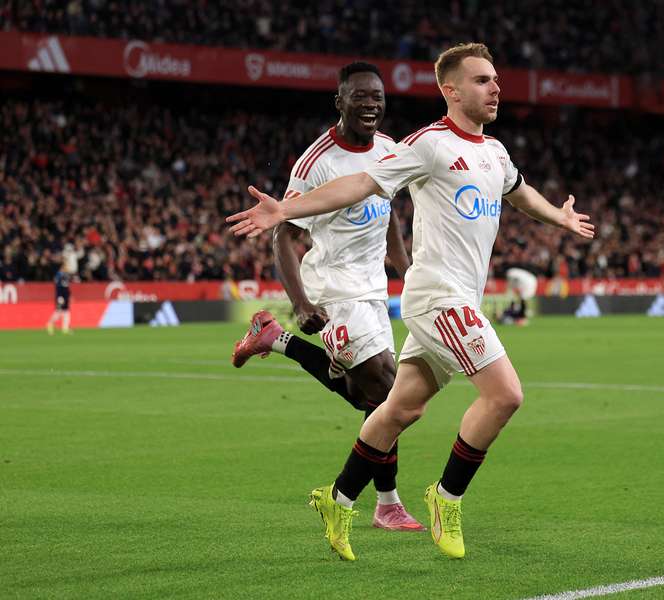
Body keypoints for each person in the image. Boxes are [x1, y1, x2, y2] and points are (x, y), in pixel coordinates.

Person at [226, 43, 594, 561]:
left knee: (399, 406)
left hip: (450, 295)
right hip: (436, 298)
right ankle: (446, 499)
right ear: (451, 90)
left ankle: (338, 498)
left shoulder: (495, 152)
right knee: (505, 395)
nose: (495, 88)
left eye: (496, 80)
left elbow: (519, 191)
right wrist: (285, 208)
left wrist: (557, 216)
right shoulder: (428, 145)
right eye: (483, 80)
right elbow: (359, 183)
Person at [229, 62, 423, 532]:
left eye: (377, 96)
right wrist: (299, 303)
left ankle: (276, 341)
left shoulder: (389, 151)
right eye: (360, 96)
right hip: (331, 287)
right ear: (339, 101)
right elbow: (283, 234)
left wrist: (409, 272)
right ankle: (382, 503)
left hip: (372, 290)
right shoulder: (316, 163)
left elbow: (390, 217)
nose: (371, 103)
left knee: (371, 400)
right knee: (389, 390)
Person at [46, 263, 73, 334]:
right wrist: (59, 297)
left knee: (66, 311)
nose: (67, 268)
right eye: (66, 266)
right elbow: (58, 287)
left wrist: (69, 296)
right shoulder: (59, 275)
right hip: (60, 296)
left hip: (65, 296)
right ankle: (50, 324)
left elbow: (67, 288)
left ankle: (65, 328)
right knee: (58, 311)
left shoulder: (66, 275)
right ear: (62, 267)